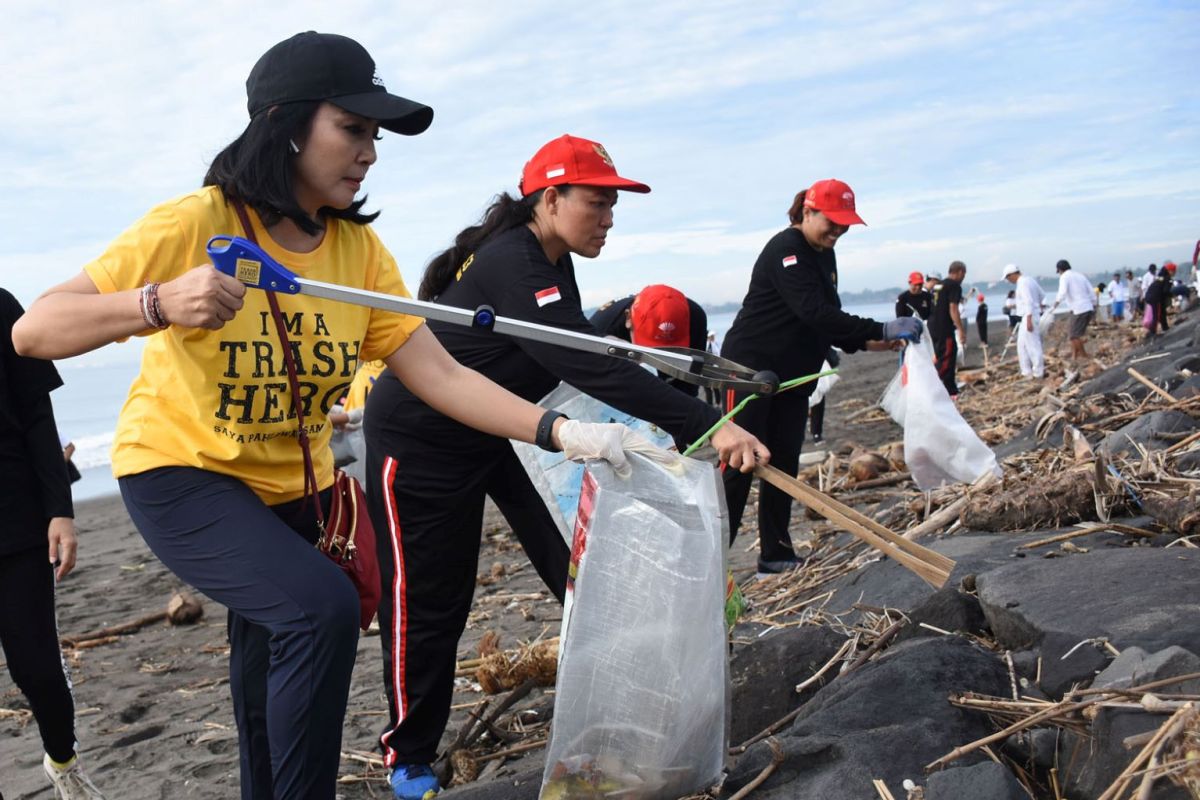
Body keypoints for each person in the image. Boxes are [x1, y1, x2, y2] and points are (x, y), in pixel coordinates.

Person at [12, 35, 654, 800]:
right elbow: (35, 329)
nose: (370, 153)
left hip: (296, 491)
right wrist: (156, 303)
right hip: (180, 474)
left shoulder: (359, 253)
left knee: (265, 679)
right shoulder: (197, 221)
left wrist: (560, 432)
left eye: (374, 136)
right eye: (352, 129)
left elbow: (441, 375)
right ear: (283, 125)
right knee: (320, 608)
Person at [363, 134, 767, 799]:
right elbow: (578, 361)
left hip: (504, 430)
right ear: (550, 199)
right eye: (597, 203)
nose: (607, 218)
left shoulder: (551, 257)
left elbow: (577, 344)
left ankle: (631, 705)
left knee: (577, 565)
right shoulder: (512, 259)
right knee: (433, 600)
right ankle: (406, 757)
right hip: (424, 441)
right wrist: (707, 424)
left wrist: (666, 420)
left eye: (613, 205)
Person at [719, 179, 921, 576]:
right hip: (750, 374)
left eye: (845, 225)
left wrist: (872, 343)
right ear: (808, 212)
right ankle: (710, 559)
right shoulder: (786, 249)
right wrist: (880, 328)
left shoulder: (824, 255)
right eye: (832, 222)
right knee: (739, 467)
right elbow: (812, 311)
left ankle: (774, 555)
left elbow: (830, 319)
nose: (838, 231)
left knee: (783, 465)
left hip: (794, 379)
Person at [1, 289, 106, 799]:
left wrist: (60, 509)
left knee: (37, 669)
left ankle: (63, 761)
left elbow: (38, 417)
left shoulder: (1, 307)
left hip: (14, 520)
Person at [589, 283, 708, 399]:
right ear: (628, 319)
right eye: (650, 347)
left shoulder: (695, 317)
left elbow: (691, 377)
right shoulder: (601, 329)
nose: (659, 358)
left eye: (672, 346)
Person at [929, 260, 967, 400]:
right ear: (960, 272)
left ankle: (950, 387)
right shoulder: (954, 286)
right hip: (944, 326)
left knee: (941, 355)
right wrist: (961, 329)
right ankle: (941, 388)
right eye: (964, 275)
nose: (963, 278)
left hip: (933, 325)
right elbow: (953, 308)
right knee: (948, 356)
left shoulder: (938, 285)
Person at [1004, 264, 1046, 378]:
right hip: (1030, 316)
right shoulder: (1030, 280)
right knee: (1021, 346)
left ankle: (1038, 372)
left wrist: (1029, 319)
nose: (1008, 280)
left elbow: (1028, 301)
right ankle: (1026, 372)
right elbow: (1042, 296)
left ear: (1012, 274)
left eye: (1008, 277)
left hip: (1029, 316)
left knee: (1033, 345)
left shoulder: (1022, 283)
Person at [1054, 259, 1095, 362]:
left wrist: (1056, 302)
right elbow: (1091, 291)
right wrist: (1093, 304)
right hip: (1087, 307)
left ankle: (1084, 355)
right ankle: (1075, 355)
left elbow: (1062, 292)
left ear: (1060, 270)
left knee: (1074, 336)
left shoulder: (1064, 277)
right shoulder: (1080, 276)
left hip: (1079, 309)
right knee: (1074, 333)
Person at [1143, 266, 1171, 336]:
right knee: (1156, 315)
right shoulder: (1166, 278)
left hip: (1149, 296)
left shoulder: (1159, 277)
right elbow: (1165, 290)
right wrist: (1171, 294)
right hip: (1155, 298)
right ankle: (1152, 331)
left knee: (1161, 312)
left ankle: (1164, 327)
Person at [704, 330, 721, 405]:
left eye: (713, 336)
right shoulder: (706, 344)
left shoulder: (715, 344)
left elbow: (718, 355)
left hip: (713, 369)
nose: (713, 337)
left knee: (715, 387)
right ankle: (710, 404)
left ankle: (717, 403)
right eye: (712, 336)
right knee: (707, 388)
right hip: (705, 368)